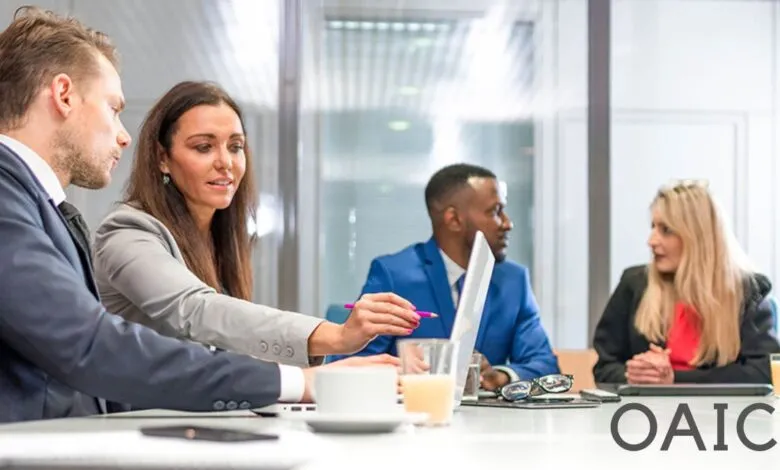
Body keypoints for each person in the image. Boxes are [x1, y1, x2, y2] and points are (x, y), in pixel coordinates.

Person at [0, 6, 399, 423]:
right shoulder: (34, 206)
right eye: (114, 108)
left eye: (236, 146)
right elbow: (95, 345)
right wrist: (308, 373)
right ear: (64, 95)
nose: (122, 134)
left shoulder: (33, 202)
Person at [91, 81, 421, 367]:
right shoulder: (127, 232)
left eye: (235, 147)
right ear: (162, 157)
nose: (225, 163)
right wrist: (335, 336)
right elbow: (196, 310)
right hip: (134, 425)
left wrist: (343, 369)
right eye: (204, 147)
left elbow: (229, 351)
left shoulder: (220, 238)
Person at [331, 163, 560, 390]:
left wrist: (499, 376)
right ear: (454, 219)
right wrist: (409, 374)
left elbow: (546, 367)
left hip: (490, 423)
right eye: (495, 212)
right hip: (415, 418)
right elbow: (350, 368)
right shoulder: (394, 275)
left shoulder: (514, 281)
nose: (508, 223)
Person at [592, 180, 780, 384]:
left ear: (698, 237)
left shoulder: (748, 291)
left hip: (721, 414)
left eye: (666, 230)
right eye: (653, 227)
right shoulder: (634, 284)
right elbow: (604, 368)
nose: (651, 241)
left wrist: (675, 380)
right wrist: (638, 376)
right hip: (645, 413)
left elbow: (763, 373)